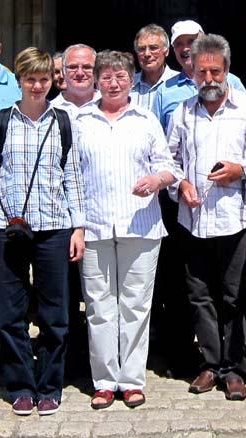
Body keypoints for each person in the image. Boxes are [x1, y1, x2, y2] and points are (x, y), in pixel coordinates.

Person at [0, 47, 86, 417]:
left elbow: (73, 177)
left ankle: (50, 385)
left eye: (44, 79)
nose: (38, 86)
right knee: (10, 313)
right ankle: (20, 384)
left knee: (55, 313)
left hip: (53, 227)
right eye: (31, 79)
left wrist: (78, 226)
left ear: (53, 82)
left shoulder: (64, 121)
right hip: (8, 229)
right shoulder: (0, 122)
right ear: (19, 80)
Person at [167, 34, 246, 401]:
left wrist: (240, 170)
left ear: (227, 70)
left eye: (215, 71)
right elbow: (169, 159)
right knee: (200, 297)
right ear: (192, 72)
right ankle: (211, 364)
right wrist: (179, 184)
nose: (209, 78)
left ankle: (233, 367)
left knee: (235, 296)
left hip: (236, 219)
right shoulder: (183, 111)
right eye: (201, 72)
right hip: (193, 221)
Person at [73, 50, 181, 410]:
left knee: (135, 305)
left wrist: (156, 179)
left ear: (131, 79)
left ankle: (132, 380)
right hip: (94, 224)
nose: (113, 82)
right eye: (106, 76)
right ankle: (104, 381)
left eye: (120, 76)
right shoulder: (80, 119)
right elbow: (71, 173)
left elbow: (169, 167)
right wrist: (75, 224)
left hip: (141, 225)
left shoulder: (146, 119)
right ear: (96, 80)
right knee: (99, 307)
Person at [152, 20, 246, 130]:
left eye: (191, 42)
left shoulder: (231, 81)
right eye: (179, 44)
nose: (185, 48)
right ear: (173, 49)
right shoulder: (164, 91)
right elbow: (157, 139)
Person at [131, 24, 179, 110]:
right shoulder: (127, 85)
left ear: (166, 51)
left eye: (153, 48)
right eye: (141, 49)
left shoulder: (181, 83)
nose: (147, 54)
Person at [51, 44, 101, 114]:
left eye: (87, 67)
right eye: (73, 67)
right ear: (64, 71)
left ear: (97, 70)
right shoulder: (50, 110)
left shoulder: (112, 105)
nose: (80, 73)